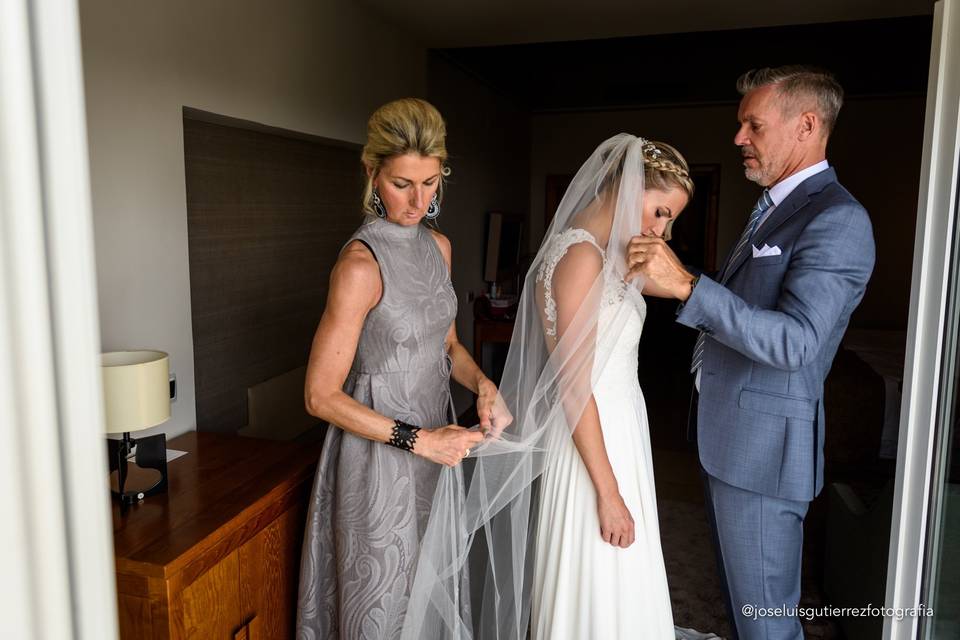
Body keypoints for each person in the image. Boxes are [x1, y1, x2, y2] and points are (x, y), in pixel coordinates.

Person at [401, 134, 719, 640]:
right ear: (626, 186)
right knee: (597, 576)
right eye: (659, 212)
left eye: (670, 219)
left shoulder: (611, 254)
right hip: (591, 441)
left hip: (620, 430)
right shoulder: (581, 260)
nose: (663, 230)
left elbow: (680, 284)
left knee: (624, 585)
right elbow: (574, 389)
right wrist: (609, 492)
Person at [627, 66, 876, 639]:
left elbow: (797, 341)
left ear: (806, 125)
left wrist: (690, 287)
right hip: (733, 442)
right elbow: (749, 302)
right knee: (745, 612)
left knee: (766, 623)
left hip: (764, 456)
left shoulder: (837, 219)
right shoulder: (775, 205)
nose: (739, 137)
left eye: (752, 125)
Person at [295, 97, 509, 640]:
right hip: (378, 458)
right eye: (401, 184)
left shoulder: (439, 248)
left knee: (429, 596)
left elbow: (450, 346)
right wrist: (421, 442)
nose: (418, 202)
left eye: (431, 183)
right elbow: (319, 396)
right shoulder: (359, 266)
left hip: (437, 447)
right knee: (383, 606)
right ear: (371, 173)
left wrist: (484, 384)